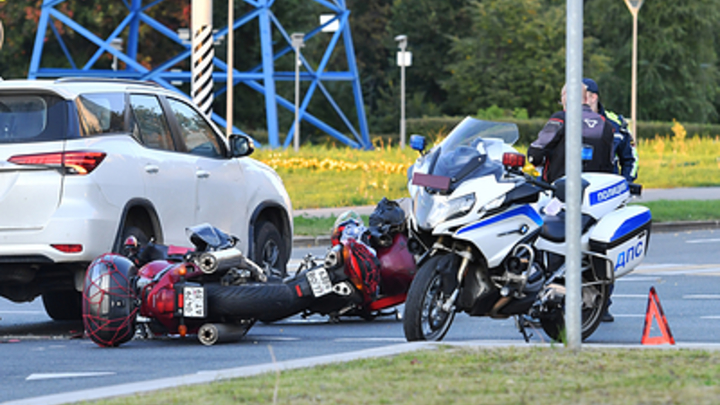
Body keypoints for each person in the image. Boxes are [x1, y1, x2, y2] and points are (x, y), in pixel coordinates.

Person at [582, 78, 638, 323]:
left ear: (592, 97)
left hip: (605, 196)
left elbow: (630, 158)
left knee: (602, 249)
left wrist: (623, 185)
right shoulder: (563, 120)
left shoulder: (614, 123)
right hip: (568, 195)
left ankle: (600, 304)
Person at [527, 82, 615, 184]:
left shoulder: (561, 119)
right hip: (596, 189)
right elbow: (610, 163)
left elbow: (536, 151)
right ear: (586, 98)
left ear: (565, 97)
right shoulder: (606, 125)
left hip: (562, 189)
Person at [582, 78, 638, 183]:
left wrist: (625, 183)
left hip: (607, 190)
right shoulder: (565, 121)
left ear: (593, 97)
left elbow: (631, 160)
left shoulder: (616, 123)